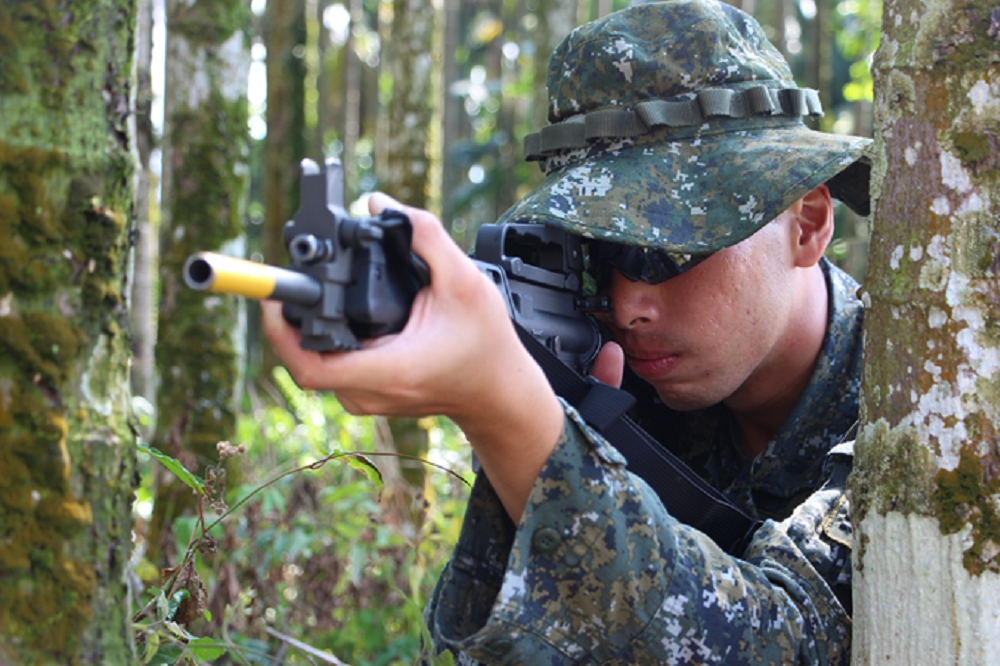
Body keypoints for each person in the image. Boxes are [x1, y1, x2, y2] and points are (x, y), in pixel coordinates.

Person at [263, 1, 871, 663]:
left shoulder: (916, 404)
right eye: (600, 257)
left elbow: (798, 643)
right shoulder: (622, 374)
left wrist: (510, 413)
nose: (628, 304)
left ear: (807, 224)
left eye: (670, 248)